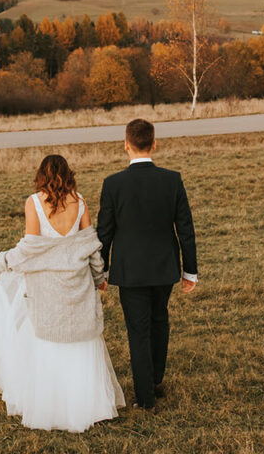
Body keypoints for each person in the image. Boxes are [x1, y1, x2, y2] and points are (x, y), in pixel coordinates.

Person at [0, 154, 125, 432]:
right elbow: (91, 247)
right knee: (79, 342)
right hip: (78, 284)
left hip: (46, 286)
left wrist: (3, 261)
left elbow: (31, 247)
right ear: (68, 174)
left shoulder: (34, 203)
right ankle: (86, 406)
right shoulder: (80, 201)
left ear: (41, 176)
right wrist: (99, 277)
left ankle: (52, 407)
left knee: (49, 341)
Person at [96, 118, 198, 411]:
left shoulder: (113, 184)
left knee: (138, 330)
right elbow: (185, 229)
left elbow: (105, 233)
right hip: (164, 267)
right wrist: (189, 270)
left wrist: (100, 271)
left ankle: (146, 397)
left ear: (126, 144)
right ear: (154, 143)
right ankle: (154, 379)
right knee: (159, 320)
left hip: (129, 271)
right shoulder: (172, 179)